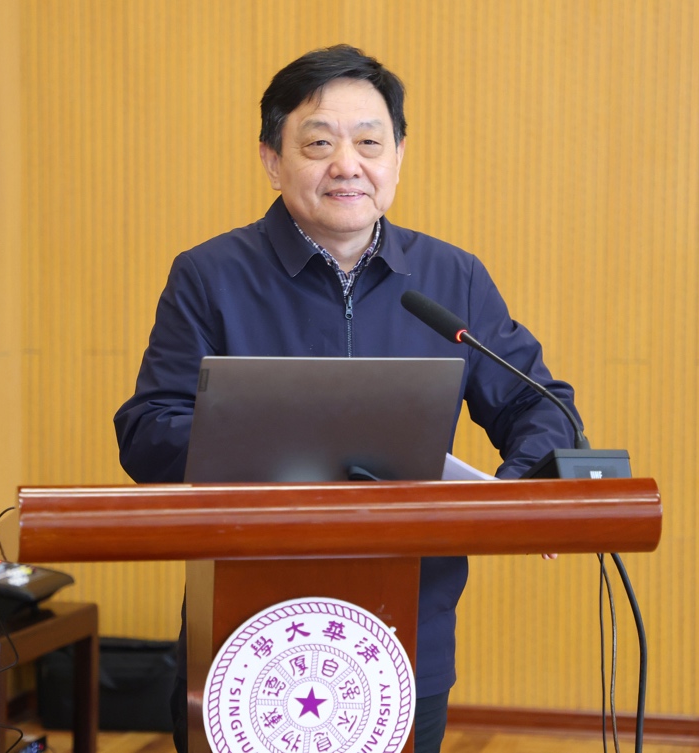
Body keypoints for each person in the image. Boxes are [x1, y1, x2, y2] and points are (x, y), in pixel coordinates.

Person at [114, 44, 582, 753]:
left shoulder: (451, 279)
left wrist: (519, 492)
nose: (347, 164)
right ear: (272, 160)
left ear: (398, 155)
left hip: (408, 629)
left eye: (369, 142)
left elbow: (540, 405)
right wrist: (269, 444)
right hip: (248, 631)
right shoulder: (210, 276)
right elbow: (148, 429)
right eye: (318, 143)